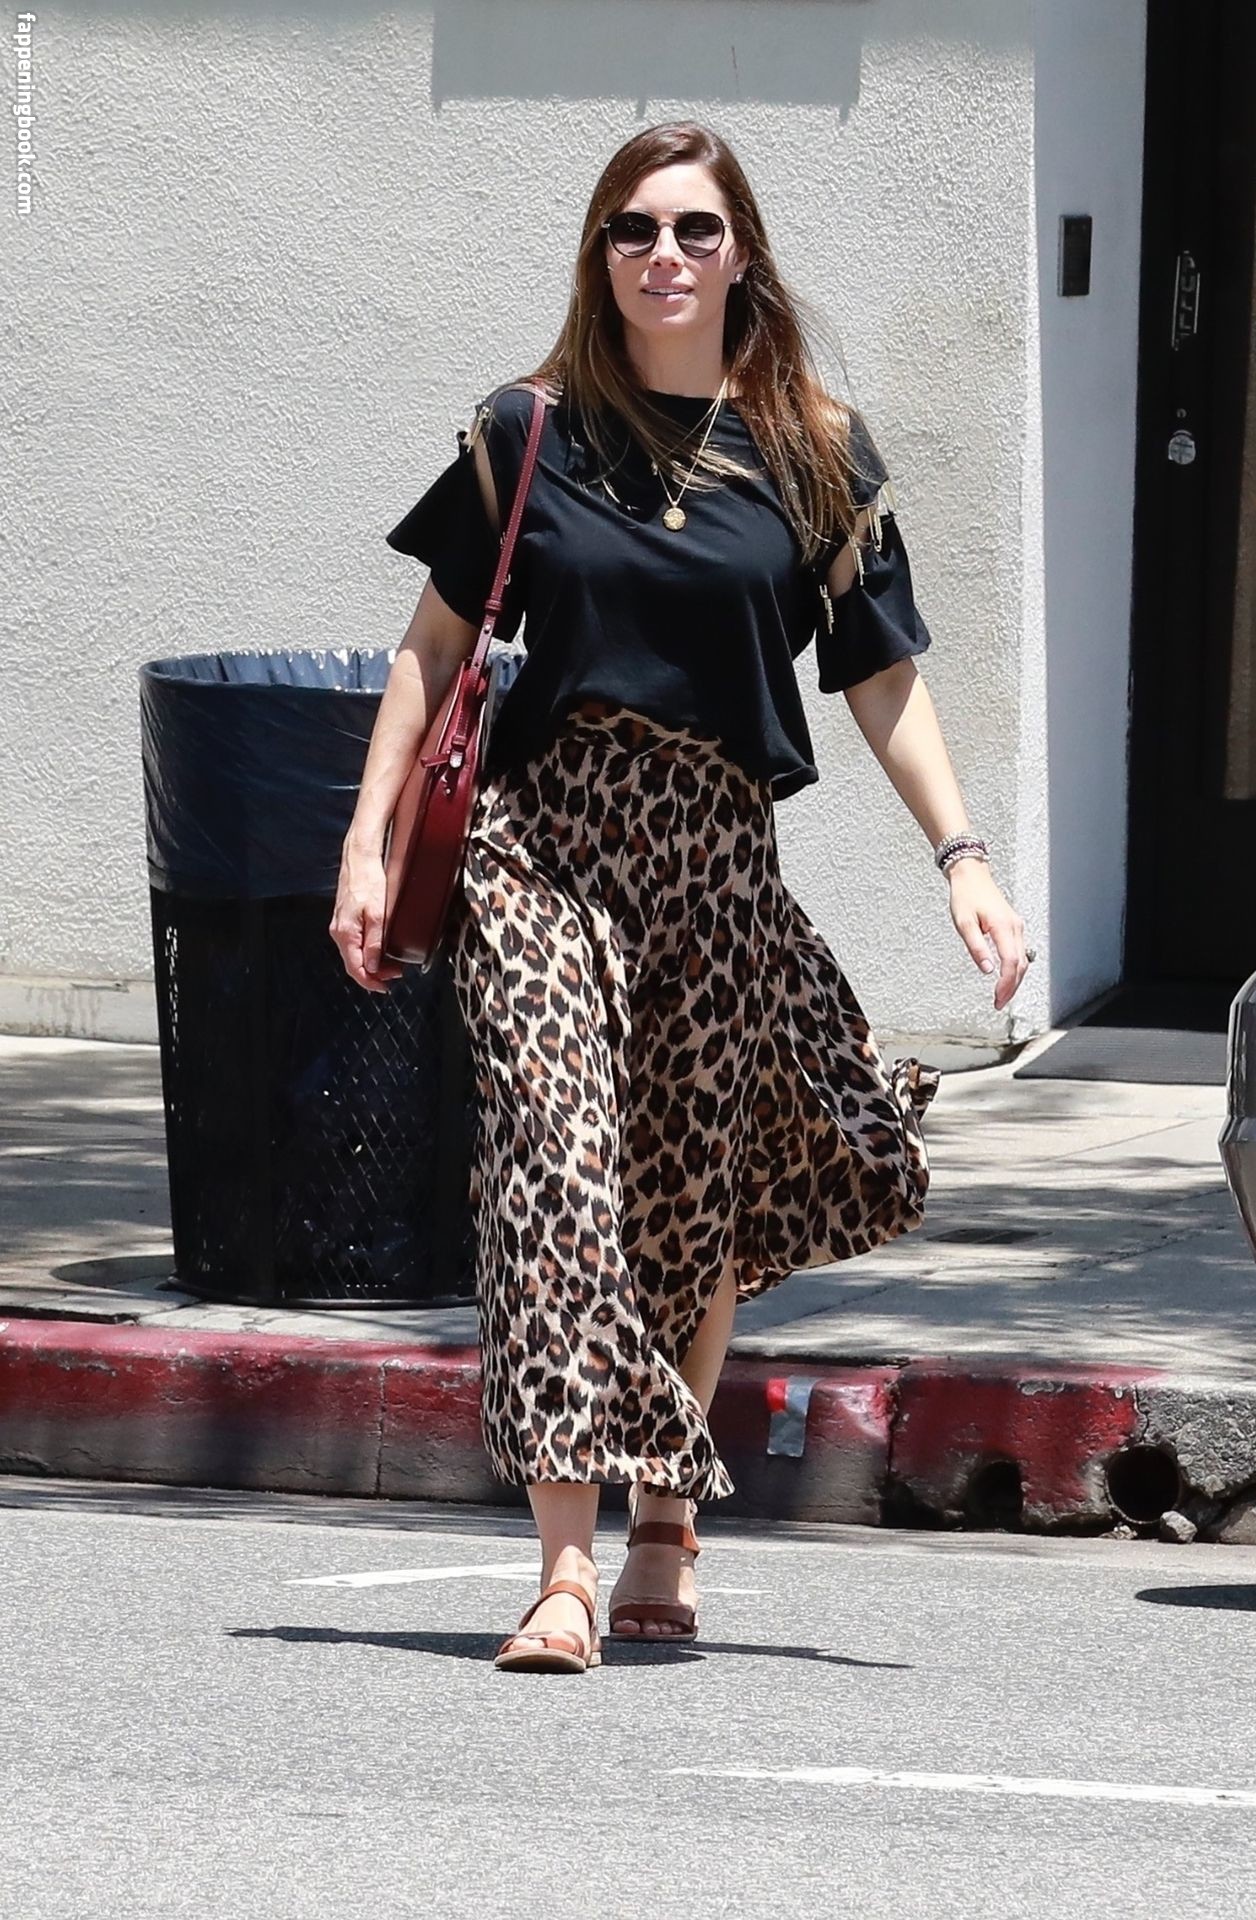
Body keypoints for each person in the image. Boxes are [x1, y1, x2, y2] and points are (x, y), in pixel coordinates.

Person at [331, 121, 1032, 1675]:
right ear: (600, 256)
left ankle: (668, 1524)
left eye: (696, 230)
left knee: (684, 1199)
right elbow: (433, 648)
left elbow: (882, 678)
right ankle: (565, 1569)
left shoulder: (817, 453)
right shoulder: (527, 431)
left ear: (741, 255)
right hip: (543, 840)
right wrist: (365, 843)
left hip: (715, 858)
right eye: (634, 229)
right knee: (555, 1177)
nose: (665, 255)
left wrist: (964, 857)